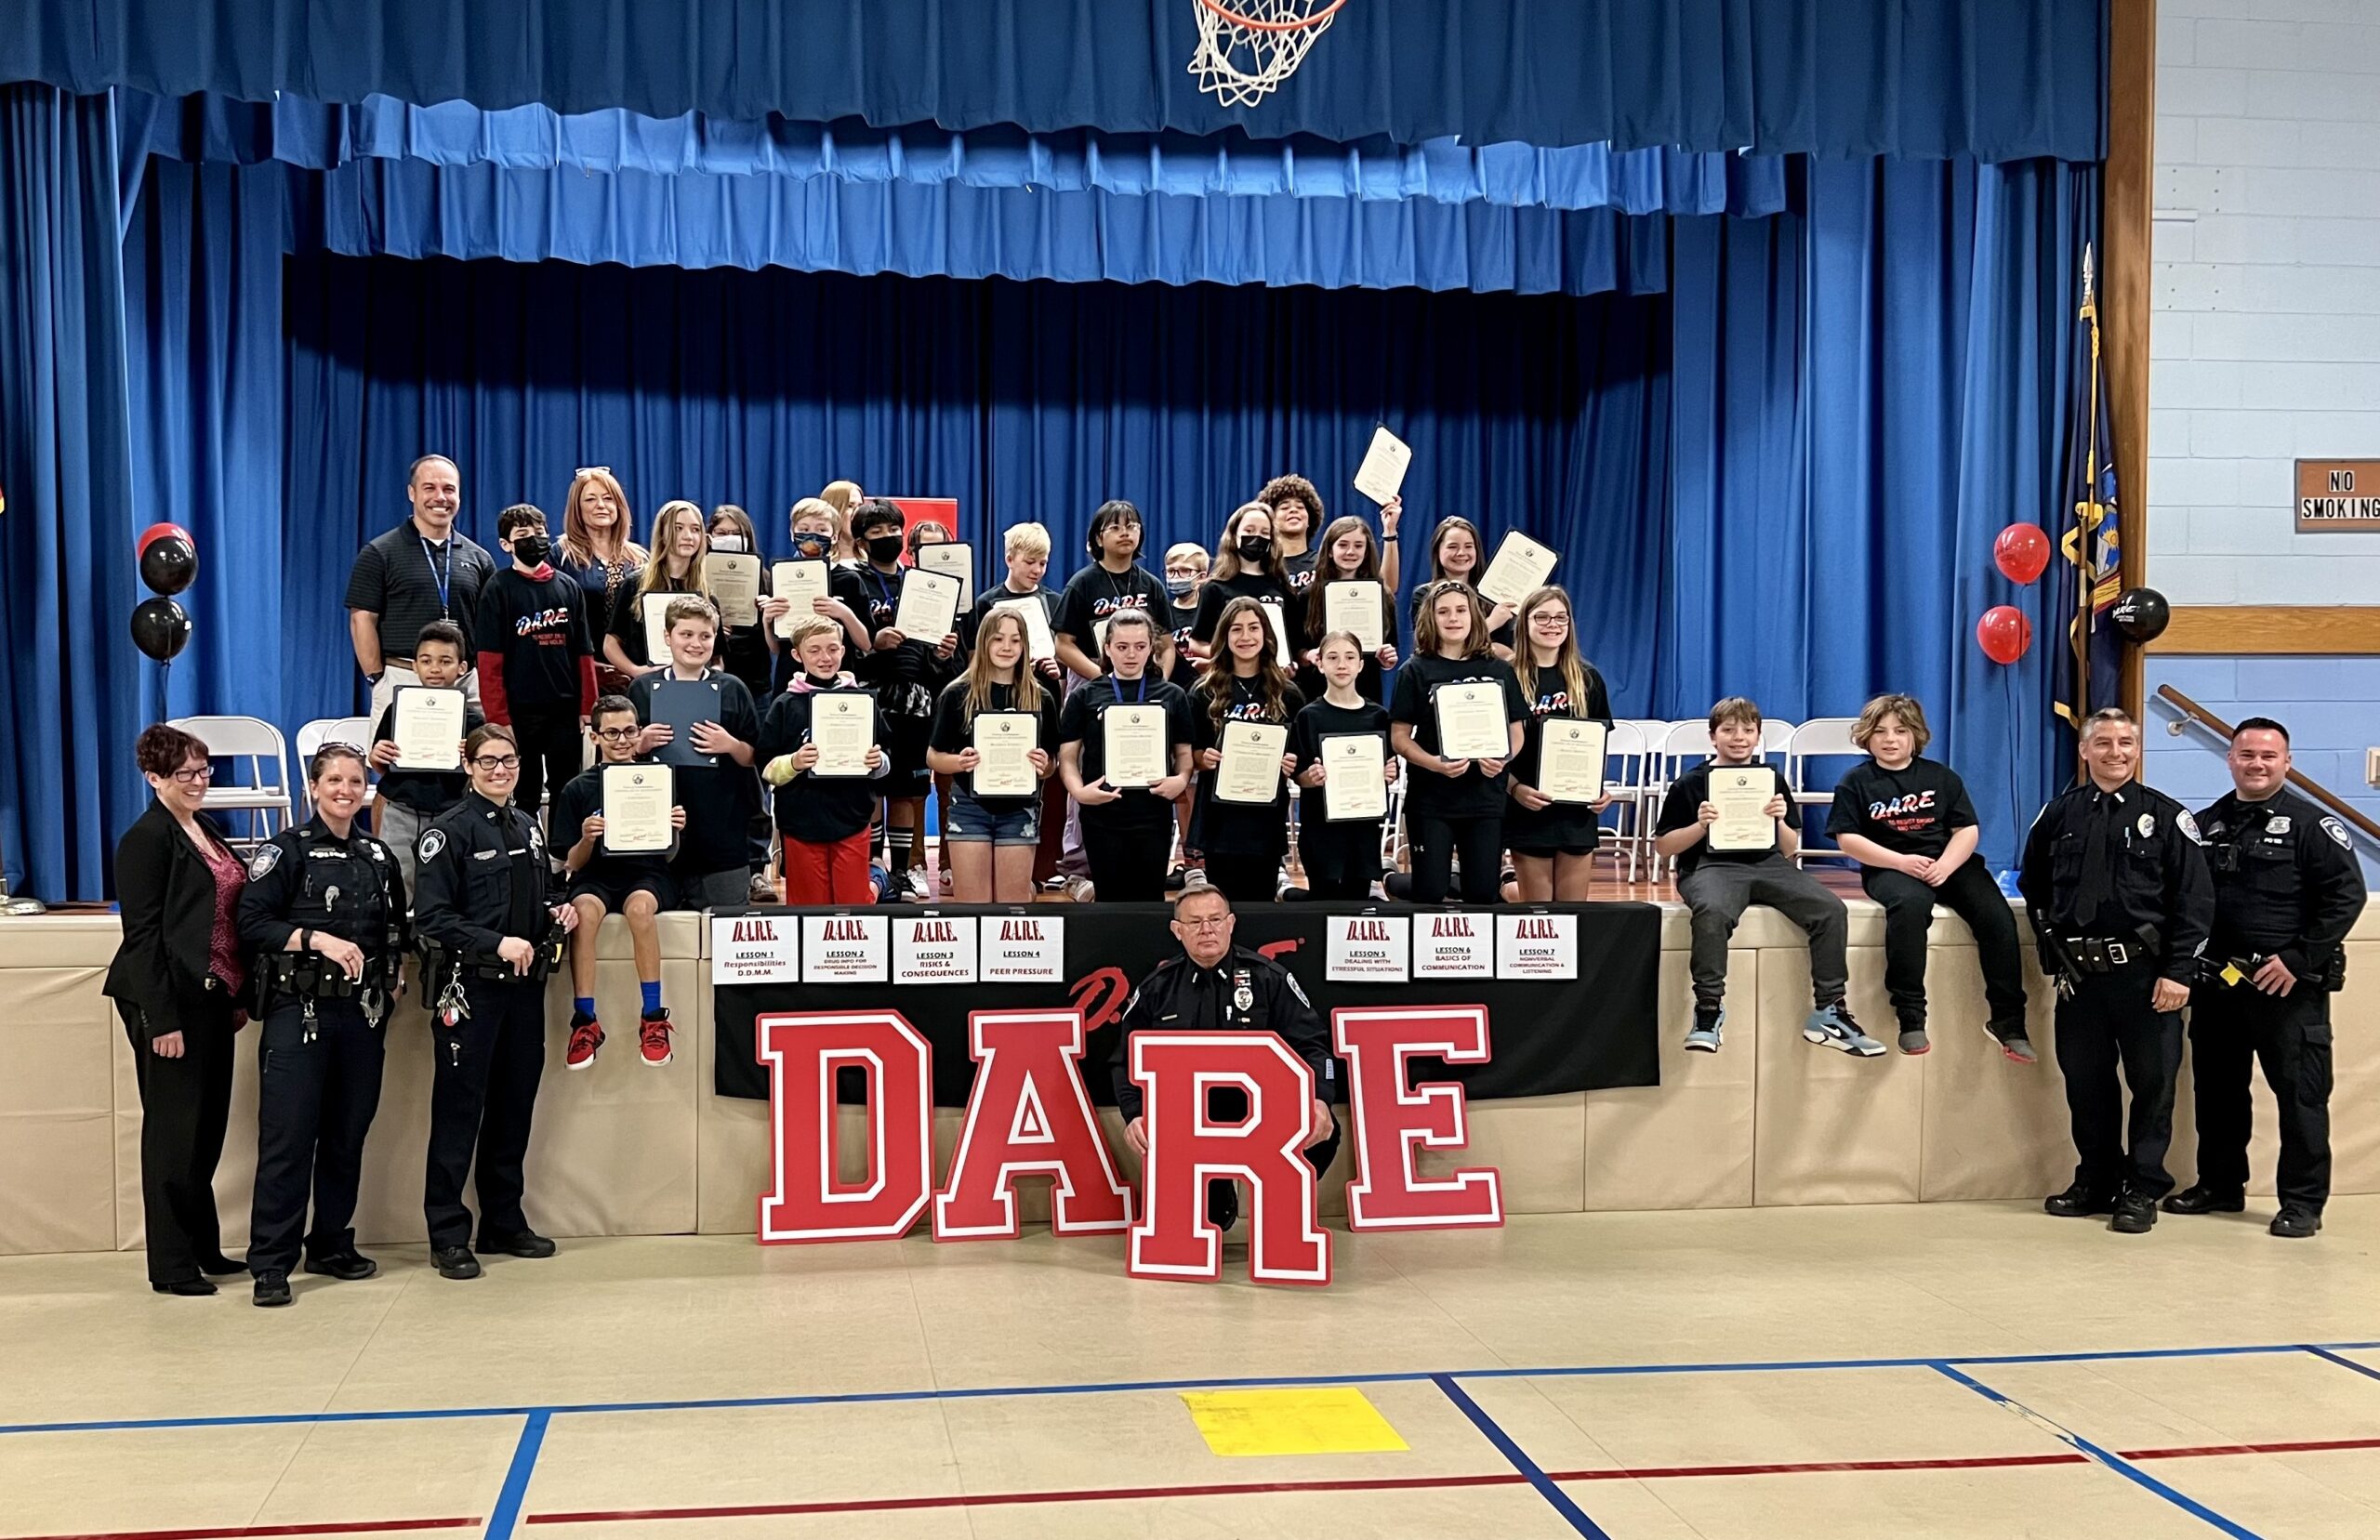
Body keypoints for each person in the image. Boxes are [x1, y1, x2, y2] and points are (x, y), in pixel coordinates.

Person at [2017, 707, 2214, 1235]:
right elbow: (2036, 886)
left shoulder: (2168, 818)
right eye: (2103, 743)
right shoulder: (2058, 815)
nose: (2115, 752)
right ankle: (2095, 1180)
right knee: (2087, 1084)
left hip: (2147, 978)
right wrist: (2051, 955)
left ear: (2137, 748)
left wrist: (2178, 972)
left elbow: (2195, 902)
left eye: (2126, 742)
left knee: (2152, 1085)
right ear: (2084, 751)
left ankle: (2142, 1186)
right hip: (2080, 979)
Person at [2167, 717, 2365, 1239]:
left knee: (2300, 1097)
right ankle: (2221, 1185)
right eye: (2247, 754)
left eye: (2268, 756)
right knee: (2219, 1092)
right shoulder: (2208, 823)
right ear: (2230, 759)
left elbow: (2346, 898)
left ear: (2287, 762)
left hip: (2287, 987)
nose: (2257, 764)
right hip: (2220, 984)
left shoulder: (2311, 826)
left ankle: (2302, 1203)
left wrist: (2298, 959)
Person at [235, 745, 406, 1308]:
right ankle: (271, 1263)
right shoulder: (284, 851)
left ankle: (331, 1243)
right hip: (299, 1012)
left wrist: (396, 974)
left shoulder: (378, 855)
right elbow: (252, 922)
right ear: (313, 786)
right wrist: (317, 940)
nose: (345, 789)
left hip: (363, 1014)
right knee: (288, 1138)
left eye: (356, 780)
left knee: (346, 1135)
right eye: (334, 779)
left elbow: (395, 928)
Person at [412, 724, 580, 1280]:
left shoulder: (528, 825)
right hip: (472, 987)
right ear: (468, 765)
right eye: (488, 762)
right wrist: (495, 941)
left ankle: (504, 1220)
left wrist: (560, 907)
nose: (500, 770)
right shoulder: (448, 832)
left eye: (508, 761)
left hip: (524, 991)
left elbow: (541, 890)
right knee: (459, 1111)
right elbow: (432, 917)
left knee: (513, 1108)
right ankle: (448, 1233)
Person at [103, 724, 254, 1296]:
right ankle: (169, 1264)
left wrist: (235, 993)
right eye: (185, 774)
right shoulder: (146, 839)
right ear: (154, 778)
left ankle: (203, 1246)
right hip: (167, 1002)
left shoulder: (204, 828)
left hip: (213, 998)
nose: (199, 781)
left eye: (204, 770)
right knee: (173, 1133)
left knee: (207, 1128)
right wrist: (161, 1021)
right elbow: (143, 938)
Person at [1112, 887, 1341, 1231]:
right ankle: (1216, 1198)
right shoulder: (1158, 988)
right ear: (1178, 931)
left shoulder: (1269, 979)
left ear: (1231, 924)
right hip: (1190, 1120)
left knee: (1327, 1131)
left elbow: (1314, 1048)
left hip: (1259, 1111)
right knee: (1211, 1221)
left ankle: (1282, 1205)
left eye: (1216, 919)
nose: (1207, 929)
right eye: (1195, 922)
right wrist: (1134, 1114)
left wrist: (1320, 1099)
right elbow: (1123, 1060)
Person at [1656, 697, 1873, 1057]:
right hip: (1711, 867)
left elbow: (1789, 847)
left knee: (1830, 909)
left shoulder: (1770, 779)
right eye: (1728, 730)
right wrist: (1701, 825)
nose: (1738, 737)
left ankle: (1829, 1010)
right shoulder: (1690, 783)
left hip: (1769, 864)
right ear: (1712, 737)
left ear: (1758, 737)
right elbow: (1664, 846)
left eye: (1747, 730)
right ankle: (1709, 1009)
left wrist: (1779, 818)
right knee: (1712, 912)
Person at [1828, 693, 2033, 1061]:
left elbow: (1967, 830)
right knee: (1909, 907)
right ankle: (1911, 1016)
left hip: (1949, 863)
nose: (1890, 739)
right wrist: (1901, 862)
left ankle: (2008, 1021)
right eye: (1881, 731)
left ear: (1915, 736)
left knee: (1996, 916)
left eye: (1900, 731)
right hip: (1890, 866)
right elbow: (1849, 839)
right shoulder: (1855, 782)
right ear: (1867, 737)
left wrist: (1946, 866)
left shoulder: (1941, 777)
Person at [834, 499, 960, 902]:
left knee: (909, 789)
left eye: (893, 531)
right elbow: (838, 646)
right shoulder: (851, 581)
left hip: (917, 698)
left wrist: (941, 655)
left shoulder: (921, 582)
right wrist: (874, 646)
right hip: (871, 694)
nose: (887, 538)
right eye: (877, 534)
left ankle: (904, 871)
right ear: (861, 541)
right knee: (872, 785)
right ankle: (872, 868)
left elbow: (936, 653)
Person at [553, 695, 687, 1073]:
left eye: (629, 731)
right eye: (611, 732)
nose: (622, 739)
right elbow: (571, 864)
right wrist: (587, 838)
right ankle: (585, 1021)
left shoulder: (657, 780)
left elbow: (670, 856)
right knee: (582, 913)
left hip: (647, 874)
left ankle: (653, 1017)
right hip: (595, 875)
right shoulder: (578, 788)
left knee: (640, 909)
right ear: (594, 737)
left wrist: (673, 831)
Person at [1388, 582, 1526, 905]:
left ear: (1474, 616)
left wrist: (1504, 758)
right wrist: (1434, 763)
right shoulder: (1415, 670)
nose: (1453, 618)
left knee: (1482, 893)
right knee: (1431, 892)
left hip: (1485, 796)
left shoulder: (1498, 670)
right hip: (1432, 798)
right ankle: (1392, 880)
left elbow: (1517, 730)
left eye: (1461, 610)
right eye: (1443, 612)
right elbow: (1399, 737)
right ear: (1430, 619)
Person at [628, 596, 763, 909]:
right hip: (659, 833)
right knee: (666, 934)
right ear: (667, 637)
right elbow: (618, 757)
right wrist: (640, 744)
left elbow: (754, 756)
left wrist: (730, 745)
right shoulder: (642, 689)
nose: (696, 644)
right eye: (686, 634)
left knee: (727, 931)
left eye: (705, 636)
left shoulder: (733, 688)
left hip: (722, 833)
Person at [926, 609, 1062, 902]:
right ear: (984, 642)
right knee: (973, 910)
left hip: (1020, 809)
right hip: (969, 809)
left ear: (1025, 646)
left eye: (1015, 640)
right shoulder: (957, 693)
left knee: (1013, 910)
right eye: (998, 639)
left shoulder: (1041, 697)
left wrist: (1044, 765)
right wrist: (959, 762)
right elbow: (934, 757)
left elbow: (1052, 762)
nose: (1006, 647)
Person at [1059, 609, 1194, 901]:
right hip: (1101, 816)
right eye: (1122, 647)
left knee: (1149, 900)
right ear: (1107, 648)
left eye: (1140, 646)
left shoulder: (1172, 695)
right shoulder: (1086, 696)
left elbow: (1184, 753)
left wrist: (1181, 780)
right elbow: (1067, 757)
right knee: (1109, 900)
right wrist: (1080, 792)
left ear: (1151, 648)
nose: (1131, 654)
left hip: (1152, 815)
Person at [347, 454, 496, 717]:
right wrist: (377, 679)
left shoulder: (479, 558)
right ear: (412, 493)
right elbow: (362, 620)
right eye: (430, 488)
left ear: (459, 496)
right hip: (403, 679)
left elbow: (491, 626)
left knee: (470, 758)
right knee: (396, 758)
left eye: (449, 489)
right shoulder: (379, 552)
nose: (440, 497)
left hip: (466, 684)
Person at [473, 504, 595, 821]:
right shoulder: (498, 589)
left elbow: (583, 652)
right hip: (519, 711)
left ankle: (559, 859)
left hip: (564, 710)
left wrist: (587, 706)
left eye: (539, 534)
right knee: (524, 789)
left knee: (565, 786)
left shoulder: (568, 587)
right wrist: (498, 718)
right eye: (523, 535)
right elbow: (489, 661)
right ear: (505, 544)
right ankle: (526, 852)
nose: (534, 540)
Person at [759, 615, 890, 904]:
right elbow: (766, 768)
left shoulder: (862, 702)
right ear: (797, 655)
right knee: (808, 908)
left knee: (853, 906)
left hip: (852, 817)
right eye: (814, 650)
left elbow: (886, 756)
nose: (825, 657)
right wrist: (793, 762)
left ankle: (877, 881)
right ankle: (877, 880)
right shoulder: (784, 706)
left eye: (832, 649)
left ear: (843, 651)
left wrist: (877, 761)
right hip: (801, 822)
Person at [1188, 599, 1305, 902]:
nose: (1245, 637)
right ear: (1224, 637)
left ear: (1266, 635)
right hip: (1220, 819)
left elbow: (1298, 755)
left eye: (1253, 628)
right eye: (1236, 629)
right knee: (1222, 903)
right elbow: (1189, 753)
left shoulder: (1287, 693)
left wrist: (1290, 762)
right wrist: (1204, 758)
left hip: (1264, 818)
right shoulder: (1204, 691)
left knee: (1261, 906)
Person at [1504, 586, 1612, 902]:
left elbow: (1597, 744)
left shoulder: (1587, 677)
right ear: (1524, 623)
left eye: (1560, 618)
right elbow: (1494, 752)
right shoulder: (1507, 676)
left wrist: (1598, 789)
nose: (1552, 625)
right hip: (1528, 806)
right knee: (1539, 916)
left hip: (1576, 811)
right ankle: (1508, 892)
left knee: (1571, 913)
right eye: (1542, 617)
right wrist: (1514, 789)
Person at [368, 621, 484, 900]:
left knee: (447, 886)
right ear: (415, 666)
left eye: (445, 661)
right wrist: (377, 756)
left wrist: (472, 759)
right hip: (402, 811)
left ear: (462, 668)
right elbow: (382, 766)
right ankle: (402, 941)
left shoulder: (474, 722)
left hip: (451, 813)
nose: (435, 668)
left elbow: (483, 774)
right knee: (398, 884)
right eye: (426, 660)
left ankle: (439, 942)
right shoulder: (397, 710)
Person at [1289, 631, 1396, 900]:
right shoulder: (1308, 716)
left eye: (1350, 657)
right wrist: (1310, 777)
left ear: (1361, 665)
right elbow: (1298, 776)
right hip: (1321, 832)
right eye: (1333, 658)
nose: (1342, 665)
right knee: (1323, 903)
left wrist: (1387, 774)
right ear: (1320, 664)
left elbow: (1386, 769)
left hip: (1362, 832)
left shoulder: (1378, 717)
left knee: (1356, 905)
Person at [1054, 499, 1173, 682]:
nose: (1125, 533)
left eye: (1131, 526)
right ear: (1098, 538)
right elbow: (1063, 644)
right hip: (1092, 678)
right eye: (1115, 528)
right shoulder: (1081, 584)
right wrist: (1103, 679)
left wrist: (1160, 682)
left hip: (1144, 677)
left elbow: (1166, 645)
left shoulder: (1152, 585)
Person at [554, 467, 644, 691]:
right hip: (581, 674)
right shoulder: (560, 555)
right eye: (590, 499)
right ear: (578, 508)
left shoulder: (640, 559)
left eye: (607, 498)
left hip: (636, 674)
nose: (601, 505)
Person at [1296, 516, 1401, 704]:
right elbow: (1297, 650)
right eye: (1343, 545)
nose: (1351, 552)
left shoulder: (1380, 595)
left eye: (1359, 546)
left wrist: (1387, 658)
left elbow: (1389, 646)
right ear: (1330, 551)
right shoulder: (1308, 596)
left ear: (1367, 551)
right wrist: (1308, 655)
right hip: (1317, 695)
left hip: (1366, 696)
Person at [604, 500, 713, 677]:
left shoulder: (706, 593)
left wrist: (709, 677)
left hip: (694, 690)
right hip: (647, 689)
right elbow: (610, 644)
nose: (688, 536)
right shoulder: (635, 585)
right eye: (678, 528)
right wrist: (636, 672)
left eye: (695, 529)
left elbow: (718, 659)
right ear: (662, 533)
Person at [1260, 472, 1404, 595]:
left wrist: (1390, 530)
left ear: (1311, 518)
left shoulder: (1330, 562)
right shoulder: (1261, 566)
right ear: (1270, 519)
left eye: (1300, 507)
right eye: (1284, 507)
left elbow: (1385, 589)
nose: (1293, 510)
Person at [1188, 503, 1290, 662]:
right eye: (1249, 531)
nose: (1257, 537)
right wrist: (1231, 659)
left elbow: (1294, 642)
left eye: (1264, 532)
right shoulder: (1214, 588)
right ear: (1234, 536)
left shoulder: (1281, 585)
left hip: (1274, 677)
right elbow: (1196, 643)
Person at [706, 504, 778, 704]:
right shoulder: (698, 577)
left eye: (737, 533)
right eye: (722, 532)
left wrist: (768, 616)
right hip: (709, 679)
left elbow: (776, 644)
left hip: (755, 683)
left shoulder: (766, 579)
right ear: (709, 536)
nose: (729, 538)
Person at [1414, 516, 1515, 658]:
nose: (1461, 553)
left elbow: (1506, 651)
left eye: (1468, 546)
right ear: (1437, 550)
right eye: (1452, 547)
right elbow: (1435, 645)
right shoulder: (1424, 595)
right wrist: (1491, 623)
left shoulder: (1494, 595)